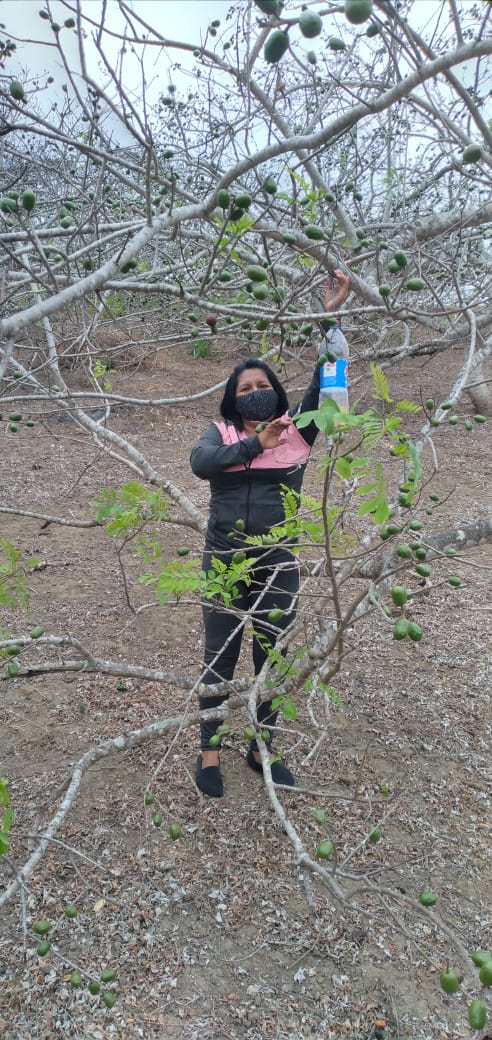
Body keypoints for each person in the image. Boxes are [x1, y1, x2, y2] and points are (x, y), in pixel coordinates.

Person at [190, 269, 350, 797]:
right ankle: (209, 748)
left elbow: (328, 376)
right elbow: (201, 464)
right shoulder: (222, 433)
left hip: (278, 561)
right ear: (233, 399)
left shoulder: (299, 429)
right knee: (219, 653)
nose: (255, 393)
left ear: (277, 393)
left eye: (263, 387)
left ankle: (262, 747)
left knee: (272, 654)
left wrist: (329, 318)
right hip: (224, 559)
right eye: (246, 389)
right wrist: (256, 444)